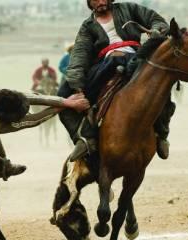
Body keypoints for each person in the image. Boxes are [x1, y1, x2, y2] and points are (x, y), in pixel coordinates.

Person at [58, 0, 172, 161]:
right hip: (106, 63)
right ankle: (83, 139)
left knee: (161, 85)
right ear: (90, 3)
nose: (100, 2)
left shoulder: (129, 8)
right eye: (95, 0)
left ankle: (161, 134)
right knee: (63, 95)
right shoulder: (88, 26)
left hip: (137, 57)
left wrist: (156, 30)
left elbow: (156, 19)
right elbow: (80, 53)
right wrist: (76, 83)